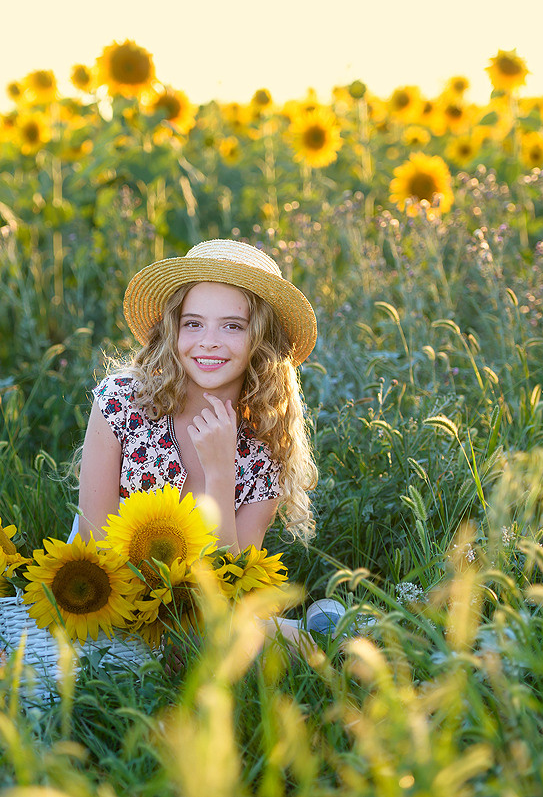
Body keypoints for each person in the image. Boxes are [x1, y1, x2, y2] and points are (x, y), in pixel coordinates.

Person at [72, 238, 346, 642]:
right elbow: (96, 538)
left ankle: (317, 637)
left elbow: (232, 584)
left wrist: (221, 472)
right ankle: (312, 635)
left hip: (207, 614)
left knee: (228, 638)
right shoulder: (124, 402)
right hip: (104, 595)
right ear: (173, 329)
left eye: (232, 326)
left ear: (262, 342)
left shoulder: (264, 447)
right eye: (193, 323)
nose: (209, 341)